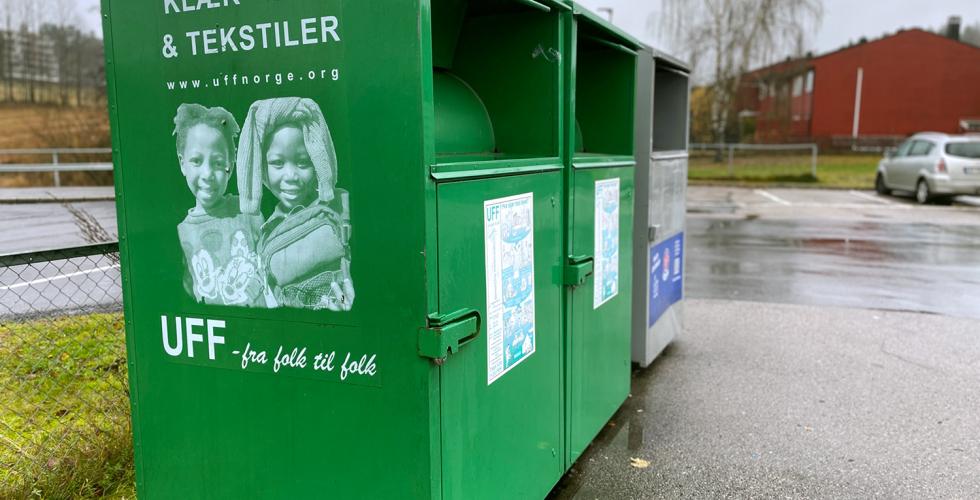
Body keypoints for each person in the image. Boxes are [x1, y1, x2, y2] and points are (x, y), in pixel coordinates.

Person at [237, 97, 354, 311]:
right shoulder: (264, 230)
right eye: (277, 163)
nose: (291, 176)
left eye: (303, 162)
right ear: (262, 168)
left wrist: (348, 303)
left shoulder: (340, 208)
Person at [174, 103, 266, 307]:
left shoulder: (248, 211)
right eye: (196, 161)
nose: (207, 174)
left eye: (217, 163)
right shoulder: (181, 233)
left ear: (230, 167)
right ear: (182, 163)